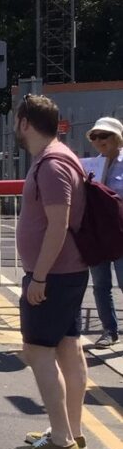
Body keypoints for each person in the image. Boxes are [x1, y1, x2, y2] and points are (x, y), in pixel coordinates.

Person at [12, 95, 88, 449]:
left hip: (53, 275)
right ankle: (72, 431)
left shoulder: (51, 165)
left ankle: (60, 440)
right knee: (68, 349)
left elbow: (58, 224)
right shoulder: (61, 156)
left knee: (37, 352)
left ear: (25, 122)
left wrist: (38, 277)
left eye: (16, 120)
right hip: (66, 272)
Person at [83, 116, 123, 349]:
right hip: (97, 232)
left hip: (119, 231)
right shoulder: (91, 165)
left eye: (104, 135)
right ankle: (109, 330)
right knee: (100, 284)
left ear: (117, 137)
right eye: (95, 136)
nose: (99, 140)